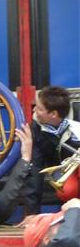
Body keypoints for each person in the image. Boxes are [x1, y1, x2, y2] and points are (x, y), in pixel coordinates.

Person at [24, 85, 80, 214]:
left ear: (54, 114)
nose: (34, 110)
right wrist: (32, 213)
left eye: (39, 108)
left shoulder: (77, 117)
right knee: (67, 190)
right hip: (64, 174)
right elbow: (35, 170)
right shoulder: (36, 129)